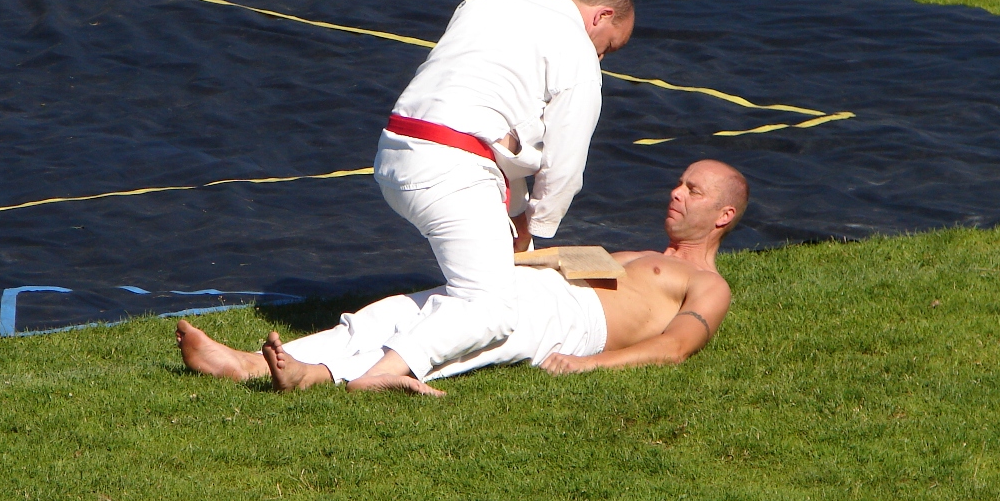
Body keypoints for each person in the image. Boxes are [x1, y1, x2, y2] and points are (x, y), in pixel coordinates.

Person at [300, 0, 635, 394]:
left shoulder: (487, 2)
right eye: (608, 46)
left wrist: (517, 215)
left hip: (395, 154)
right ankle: (380, 372)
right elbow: (564, 163)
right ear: (602, 16)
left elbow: (491, 116)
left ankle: (302, 362)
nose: (602, 56)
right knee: (491, 308)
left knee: (466, 294)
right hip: (451, 170)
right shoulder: (578, 51)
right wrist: (539, 230)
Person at [175, 159, 747, 396]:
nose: (676, 192)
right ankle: (251, 364)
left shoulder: (708, 283)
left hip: (569, 321)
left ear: (724, 215)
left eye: (693, 190)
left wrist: (589, 364)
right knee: (400, 312)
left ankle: (319, 377)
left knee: (461, 336)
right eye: (679, 182)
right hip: (527, 286)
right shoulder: (637, 253)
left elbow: (675, 348)